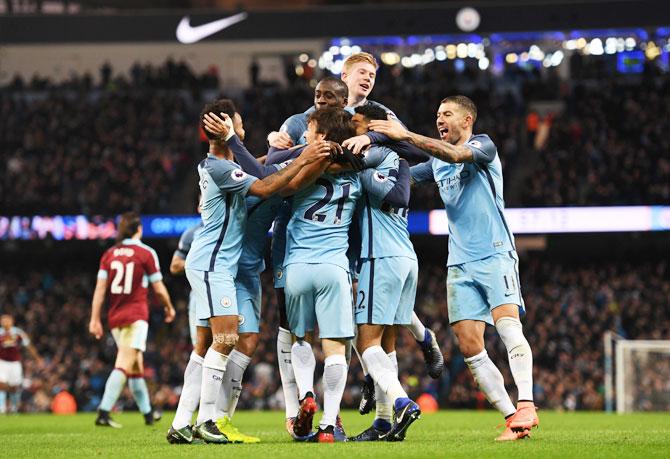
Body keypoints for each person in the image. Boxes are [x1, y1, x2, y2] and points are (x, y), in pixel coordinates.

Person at [369, 95, 539, 441]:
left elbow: (456, 155)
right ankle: (512, 419)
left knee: (508, 327)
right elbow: (402, 179)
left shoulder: (483, 145)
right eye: (437, 115)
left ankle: (527, 403)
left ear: (467, 120)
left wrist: (405, 135)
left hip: (495, 253)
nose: (439, 119)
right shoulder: (436, 163)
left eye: (446, 114)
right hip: (459, 262)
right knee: (468, 343)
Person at [181, 98, 331, 444]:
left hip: (243, 266)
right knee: (216, 342)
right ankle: (202, 420)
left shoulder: (231, 165)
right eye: (239, 124)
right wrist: (303, 156)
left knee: (240, 341)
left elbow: (260, 170)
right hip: (222, 265)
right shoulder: (225, 166)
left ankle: (206, 420)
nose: (245, 128)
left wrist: (281, 154)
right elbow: (268, 182)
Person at [280, 107, 361, 443]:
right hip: (333, 267)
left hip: (297, 266)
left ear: (322, 135)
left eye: (310, 129)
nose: (305, 134)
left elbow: (272, 177)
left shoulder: (299, 170)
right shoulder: (357, 172)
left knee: (300, 339)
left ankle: (305, 394)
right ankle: (328, 426)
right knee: (335, 349)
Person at [346, 104, 421, 442]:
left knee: (366, 341)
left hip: (382, 257)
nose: (351, 129)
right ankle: (382, 423)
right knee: (387, 342)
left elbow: (397, 195)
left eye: (356, 124)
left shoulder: (373, 156)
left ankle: (403, 403)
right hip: (406, 256)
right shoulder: (397, 158)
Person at [89, 211, 176, 428]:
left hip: (115, 316)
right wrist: (169, 307)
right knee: (124, 362)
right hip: (136, 316)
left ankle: (148, 413)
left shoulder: (109, 254)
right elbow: (158, 287)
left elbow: (100, 289)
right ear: (139, 229)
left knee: (135, 365)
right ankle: (104, 411)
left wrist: (94, 319)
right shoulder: (145, 253)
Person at [0, 314, 43, 414]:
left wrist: (38, 358)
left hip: (15, 364)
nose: (5, 322)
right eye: (3, 320)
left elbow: (28, 346)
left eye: (7, 320)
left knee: (15, 387)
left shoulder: (18, 333)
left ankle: (15, 408)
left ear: (12, 321)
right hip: (2, 362)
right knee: (0, 384)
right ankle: (1, 408)